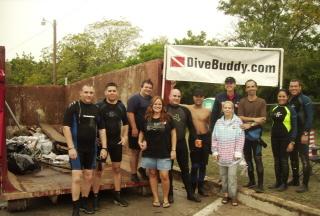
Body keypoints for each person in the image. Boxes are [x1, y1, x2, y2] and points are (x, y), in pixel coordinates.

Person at [63, 85, 107, 216]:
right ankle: (75, 209)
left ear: (94, 94)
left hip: (91, 149)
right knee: (77, 178)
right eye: (86, 92)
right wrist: (70, 147)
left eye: (91, 93)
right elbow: (66, 128)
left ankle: (84, 202)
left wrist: (104, 147)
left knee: (88, 176)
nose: (89, 95)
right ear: (80, 93)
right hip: (76, 148)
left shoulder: (97, 109)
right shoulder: (73, 107)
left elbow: (102, 129)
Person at [92, 82, 129, 210]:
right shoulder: (99, 106)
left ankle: (117, 195)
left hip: (116, 142)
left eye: (114, 91)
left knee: (117, 169)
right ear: (105, 92)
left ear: (117, 93)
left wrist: (125, 137)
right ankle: (95, 198)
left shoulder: (121, 106)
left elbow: (125, 124)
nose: (112, 93)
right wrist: (95, 138)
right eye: (110, 91)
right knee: (99, 170)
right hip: (102, 144)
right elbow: (93, 124)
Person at [138, 96, 177, 208]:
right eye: (155, 104)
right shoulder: (146, 118)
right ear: (151, 105)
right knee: (152, 174)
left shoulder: (168, 117)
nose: (157, 106)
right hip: (150, 152)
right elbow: (142, 132)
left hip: (164, 152)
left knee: (164, 176)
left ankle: (165, 198)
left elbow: (173, 133)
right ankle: (155, 198)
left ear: (162, 106)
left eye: (159, 104)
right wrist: (140, 141)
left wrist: (173, 150)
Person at [166, 89, 201, 203]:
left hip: (181, 143)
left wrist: (195, 138)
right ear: (169, 96)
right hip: (167, 145)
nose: (176, 98)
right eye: (174, 95)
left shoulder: (185, 110)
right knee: (168, 170)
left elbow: (191, 127)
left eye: (178, 96)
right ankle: (170, 194)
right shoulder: (164, 109)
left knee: (185, 169)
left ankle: (190, 194)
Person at [212, 101, 244, 206]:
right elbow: (214, 138)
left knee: (232, 177)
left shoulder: (238, 122)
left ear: (233, 109)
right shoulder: (218, 122)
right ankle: (225, 194)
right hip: (221, 156)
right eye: (225, 108)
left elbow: (240, 138)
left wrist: (238, 152)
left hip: (233, 157)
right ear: (222, 109)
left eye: (229, 108)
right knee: (224, 177)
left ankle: (233, 196)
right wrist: (215, 151)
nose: (227, 109)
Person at [238, 79, 266, 193]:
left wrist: (251, 124)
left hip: (256, 135)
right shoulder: (242, 101)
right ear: (246, 89)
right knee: (248, 159)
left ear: (256, 87)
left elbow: (263, 119)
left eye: (252, 86)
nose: (250, 88)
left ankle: (260, 185)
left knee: (258, 159)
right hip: (244, 135)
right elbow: (240, 116)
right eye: (248, 86)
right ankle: (252, 181)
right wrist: (254, 119)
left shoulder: (262, 101)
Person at [184, 89, 211, 197]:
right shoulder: (187, 108)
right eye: (196, 96)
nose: (198, 98)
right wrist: (171, 86)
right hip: (194, 138)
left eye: (201, 96)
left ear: (203, 97)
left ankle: (200, 187)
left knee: (203, 165)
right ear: (193, 97)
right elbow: (173, 101)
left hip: (205, 138)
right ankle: (192, 188)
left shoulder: (208, 111)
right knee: (195, 165)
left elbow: (210, 126)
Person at [269, 89, 297, 192]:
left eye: (283, 96)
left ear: (287, 97)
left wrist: (292, 141)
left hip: (285, 139)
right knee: (276, 160)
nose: (281, 98)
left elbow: (294, 127)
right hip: (274, 138)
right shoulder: (274, 108)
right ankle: (278, 182)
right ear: (277, 97)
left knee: (283, 160)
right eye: (280, 96)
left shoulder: (291, 109)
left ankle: (284, 184)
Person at [288, 79, 314, 193]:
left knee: (304, 158)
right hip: (292, 134)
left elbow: (310, 118)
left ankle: (305, 184)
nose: (293, 88)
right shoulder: (290, 99)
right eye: (291, 86)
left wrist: (305, 133)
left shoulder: (305, 99)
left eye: (295, 86)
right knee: (293, 157)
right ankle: (295, 180)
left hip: (302, 133)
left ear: (300, 87)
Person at [127, 79, 153, 182]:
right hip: (136, 130)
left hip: (148, 130)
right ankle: (133, 174)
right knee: (135, 152)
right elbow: (130, 113)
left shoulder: (151, 100)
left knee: (147, 151)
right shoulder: (134, 99)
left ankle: (142, 169)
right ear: (141, 87)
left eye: (150, 88)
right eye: (146, 87)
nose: (148, 89)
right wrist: (134, 127)